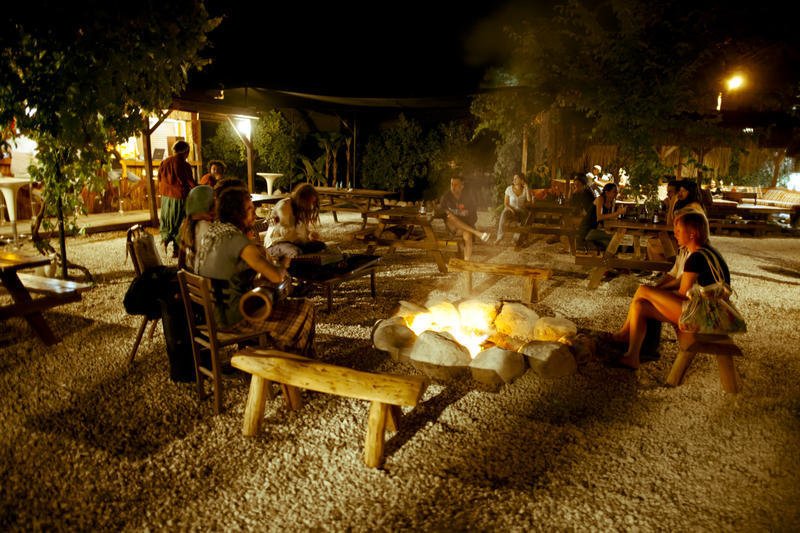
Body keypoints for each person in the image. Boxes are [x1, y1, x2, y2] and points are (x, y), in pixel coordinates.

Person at [196, 187, 316, 356]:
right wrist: (284, 263)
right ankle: (295, 362)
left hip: (211, 314)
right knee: (305, 308)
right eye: (249, 209)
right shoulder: (236, 240)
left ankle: (296, 357)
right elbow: (276, 276)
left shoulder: (212, 232)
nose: (254, 214)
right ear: (236, 213)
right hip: (236, 319)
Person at [611, 211, 730, 369]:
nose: (675, 234)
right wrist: (658, 292)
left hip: (705, 316)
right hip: (709, 311)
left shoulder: (696, 258)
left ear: (692, 234)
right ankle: (632, 357)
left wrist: (656, 295)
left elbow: (682, 296)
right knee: (640, 305)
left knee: (643, 289)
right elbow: (681, 280)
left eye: (679, 231)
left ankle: (623, 334)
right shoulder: (707, 252)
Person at [263, 182, 327, 262]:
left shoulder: (301, 208)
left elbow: (301, 232)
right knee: (294, 251)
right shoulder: (284, 206)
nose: (312, 206)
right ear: (302, 199)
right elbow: (287, 233)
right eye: (310, 202)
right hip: (276, 244)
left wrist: (309, 235)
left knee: (321, 246)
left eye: (313, 203)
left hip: (293, 243)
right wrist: (302, 241)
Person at [437, 176, 490, 261]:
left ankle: (466, 263)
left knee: (468, 235)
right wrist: (446, 212)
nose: (453, 187)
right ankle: (478, 233)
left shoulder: (468, 198)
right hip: (452, 228)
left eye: (456, 185)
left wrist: (464, 218)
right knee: (450, 216)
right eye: (451, 184)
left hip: (465, 227)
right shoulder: (446, 197)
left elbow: (474, 217)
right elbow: (440, 212)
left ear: (462, 186)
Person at [158, 140, 197, 257]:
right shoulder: (184, 164)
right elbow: (189, 182)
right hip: (179, 197)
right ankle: (176, 250)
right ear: (186, 152)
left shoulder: (164, 162)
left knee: (167, 220)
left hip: (165, 198)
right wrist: (198, 188)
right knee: (179, 222)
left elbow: (159, 178)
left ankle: (165, 240)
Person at [579, 182, 627, 251]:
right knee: (615, 238)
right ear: (607, 192)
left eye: (617, 192)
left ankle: (610, 256)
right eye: (614, 192)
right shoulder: (600, 199)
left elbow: (609, 219)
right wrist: (617, 213)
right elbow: (600, 217)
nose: (616, 194)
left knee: (612, 243)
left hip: (597, 230)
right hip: (588, 230)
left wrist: (617, 215)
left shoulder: (611, 202)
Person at [178, 185, 214, 272]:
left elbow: (180, 264)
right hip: (203, 277)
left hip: (191, 276)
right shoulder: (206, 227)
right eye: (213, 204)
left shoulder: (186, 224)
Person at [495, 174, 532, 244]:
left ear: (521, 180)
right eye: (513, 178)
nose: (514, 180)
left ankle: (517, 239)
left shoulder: (525, 189)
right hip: (510, 209)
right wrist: (511, 210)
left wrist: (526, 187)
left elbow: (529, 200)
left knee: (527, 216)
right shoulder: (509, 189)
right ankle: (499, 237)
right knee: (503, 214)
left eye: (516, 178)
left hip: (521, 211)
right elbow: (506, 203)